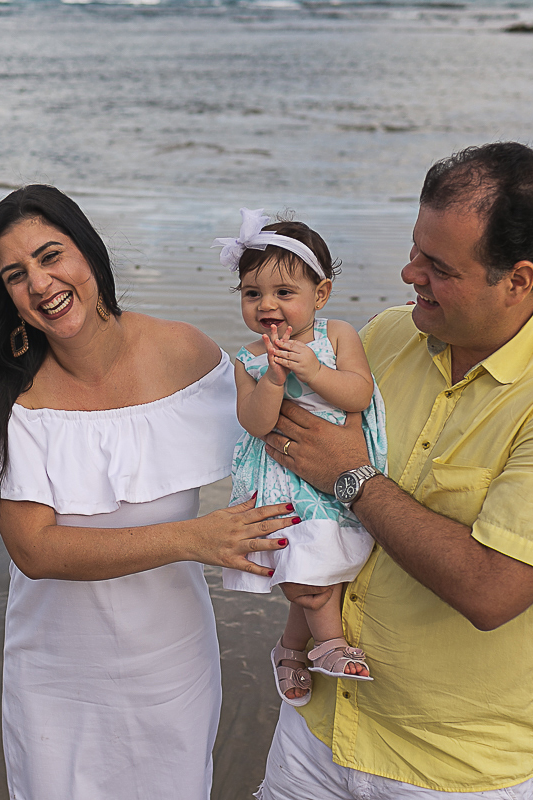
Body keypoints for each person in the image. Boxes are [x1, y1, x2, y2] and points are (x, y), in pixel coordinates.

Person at [0, 185, 298, 800]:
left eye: (51, 255)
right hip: (59, 676)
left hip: (172, 666)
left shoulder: (185, 354)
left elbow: (282, 435)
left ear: (88, 254)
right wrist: (193, 538)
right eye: (17, 274)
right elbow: (38, 552)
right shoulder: (7, 399)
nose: (41, 283)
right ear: (9, 298)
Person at [255, 143, 533, 799]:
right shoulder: (383, 339)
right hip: (319, 728)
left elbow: (492, 590)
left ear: (517, 280)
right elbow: (292, 448)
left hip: (456, 769)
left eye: (438, 267)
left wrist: (352, 478)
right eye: (415, 250)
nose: (409, 273)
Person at [214, 209, 388, 706]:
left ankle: (291, 647)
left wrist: (312, 371)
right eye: (252, 293)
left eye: (284, 293)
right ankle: (329, 645)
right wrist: (272, 380)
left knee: (326, 571)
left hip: (342, 470)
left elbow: (357, 394)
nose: (267, 305)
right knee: (308, 582)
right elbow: (255, 422)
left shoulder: (337, 337)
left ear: (321, 295)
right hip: (286, 482)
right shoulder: (247, 358)